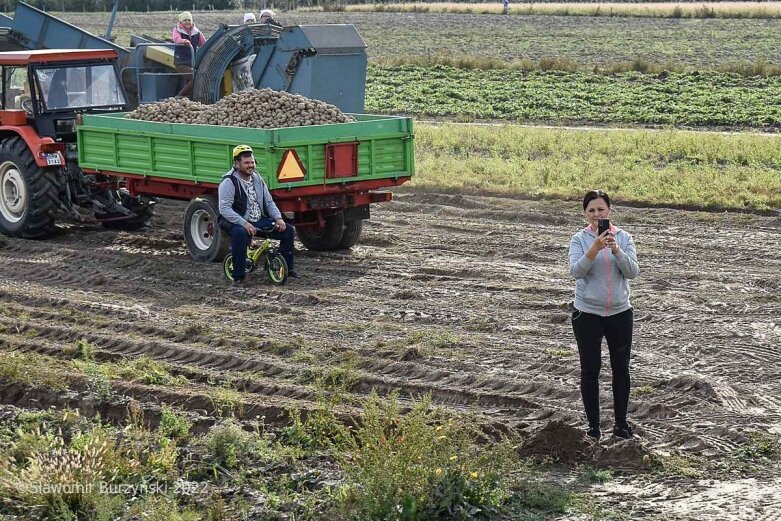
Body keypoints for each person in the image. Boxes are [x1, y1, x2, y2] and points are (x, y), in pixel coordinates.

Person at [568, 190, 640, 440]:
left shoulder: (624, 237)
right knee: (590, 370)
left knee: (621, 369)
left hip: (620, 312)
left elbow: (632, 272)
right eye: (591, 211)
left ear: (609, 210)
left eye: (601, 210)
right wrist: (594, 249)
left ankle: (621, 425)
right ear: (585, 214)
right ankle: (593, 428)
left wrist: (616, 250)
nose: (597, 215)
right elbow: (576, 272)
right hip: (587, 314)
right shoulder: (579, 239)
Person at [218, 145, 297, 288]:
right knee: (240, 235)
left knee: (288, 230)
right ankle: (238, 278)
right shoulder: (228, 182)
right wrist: (244, 223)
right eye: (246, 163)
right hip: (235, 220)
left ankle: (287, 270)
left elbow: (268, 201)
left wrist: (278, 218)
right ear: (237, 164)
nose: (250, 166)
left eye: (252, 162)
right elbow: (224, 209)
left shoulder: (257, 179)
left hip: (257, 219)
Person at [172, 11, 206, 97]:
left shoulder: (196, 32)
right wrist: (184, 41)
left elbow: (203, 43)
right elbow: (176, 39)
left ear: (192, 21)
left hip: (192, 62)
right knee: (194, 77)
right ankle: (178, 97)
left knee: (190, 81)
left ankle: (188, 100)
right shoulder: (177, 30)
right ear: (181, 22)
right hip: (181, 62)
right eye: (185, 20)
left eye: (189, 20)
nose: (187, 22)